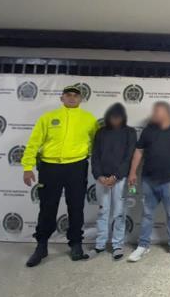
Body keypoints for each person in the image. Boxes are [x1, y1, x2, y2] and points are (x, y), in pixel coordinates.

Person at [21, 85, 98, 267]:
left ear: (80, 100)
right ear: (62, 98)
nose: (72, 98)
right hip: (50, 167)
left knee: (76, 206)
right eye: (68, 95)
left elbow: (97, 144)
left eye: (76, 96)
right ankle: (41, 246)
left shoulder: (89, 119)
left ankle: (76, 244)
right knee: (47, 207)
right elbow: (34, 143)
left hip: (76, 166)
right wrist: (27, 166)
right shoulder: (48, 117)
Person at [127, 102, 170, 262]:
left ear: (167, 113)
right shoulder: (148, 130)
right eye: (154, 111)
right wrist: (132, 172)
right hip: (149, 180)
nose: (154, 114)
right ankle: (143, 245)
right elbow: (139, 151)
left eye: (158, 111)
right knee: (147, 214)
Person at [88, 103, 136, 261]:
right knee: (103, 211)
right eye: (113, 117)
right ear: (108, 117)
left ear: (123, 117)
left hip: (119, 180)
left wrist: (116, 176)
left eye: (118, 117)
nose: (115, 120)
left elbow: (129, 156)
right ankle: (100, 244)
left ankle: (117, 245)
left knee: (119, 213)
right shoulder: (101, 132)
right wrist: (99, 176)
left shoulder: (130, 132)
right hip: (101, 179)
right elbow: (95, 156)